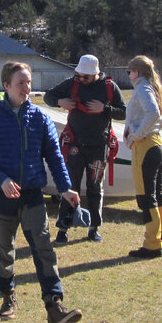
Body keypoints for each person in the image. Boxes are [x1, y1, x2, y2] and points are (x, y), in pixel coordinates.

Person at [0, 61, 84, 323]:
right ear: (6, 85)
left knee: (43, 248)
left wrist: (65, 187)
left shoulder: (40, 118)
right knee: (5, 249)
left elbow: (54, 156)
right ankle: (7, 295)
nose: (27, 87)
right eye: (21, 83)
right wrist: (1, 179)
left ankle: (54, 306)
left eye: (29, 82)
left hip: (32, 194)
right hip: (2, 196)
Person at [44, 54, 126, 245]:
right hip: (74, 145)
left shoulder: (109, 87)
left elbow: (123, 112)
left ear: (95, 73)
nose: (80, 79)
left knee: (95, 187)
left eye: (85, 76)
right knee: (69, 186)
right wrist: (60, 102)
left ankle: (94, 228)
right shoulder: (71, 83)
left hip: (99, 146)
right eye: (78, 75)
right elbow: (48, 96)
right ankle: (63, 229)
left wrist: (104, 109)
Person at [124, 55, 162, 259]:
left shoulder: (142, 88)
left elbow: (154, 112)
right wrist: (154, 128)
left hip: (146, 147)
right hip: (158, 145)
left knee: (145, 196)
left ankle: (152, 244)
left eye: (129, 71)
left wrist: (139, 133)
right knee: (157, 194)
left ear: (137, 72)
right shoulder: (155, 87)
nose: (129, 75)